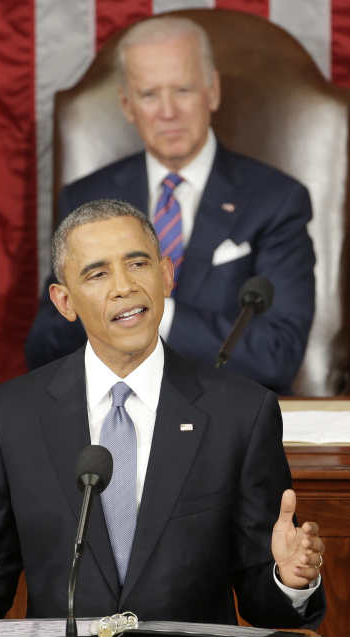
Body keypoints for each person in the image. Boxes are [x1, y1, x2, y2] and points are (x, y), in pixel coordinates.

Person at [0, 200, 326, 637]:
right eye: (97, 273)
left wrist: (291, 578)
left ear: (166, 275)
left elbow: (263, 600)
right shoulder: (13, 415)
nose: (124, 286)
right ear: (64, 302)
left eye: (138, 263)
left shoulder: (239, 412)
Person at [25, 16, 316, 395]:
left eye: (182, 90)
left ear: (212, 91)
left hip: (228, 411)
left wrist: (147, 309)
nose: (167, 111)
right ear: (127, 105)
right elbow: (45, 344)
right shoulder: (85, 199)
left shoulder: (277, 200)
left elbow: (278, 353)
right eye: (149, 95)